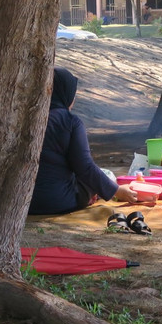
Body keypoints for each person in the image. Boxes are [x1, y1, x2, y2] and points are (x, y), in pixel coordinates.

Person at [29, 67, 137, 215]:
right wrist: (117, 191)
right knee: (105, 176)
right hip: (59, 201)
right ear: (66, 94)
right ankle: (91, 197)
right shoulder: (70, 121)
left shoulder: (24, 117)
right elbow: (84, 167)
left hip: (24, 202)